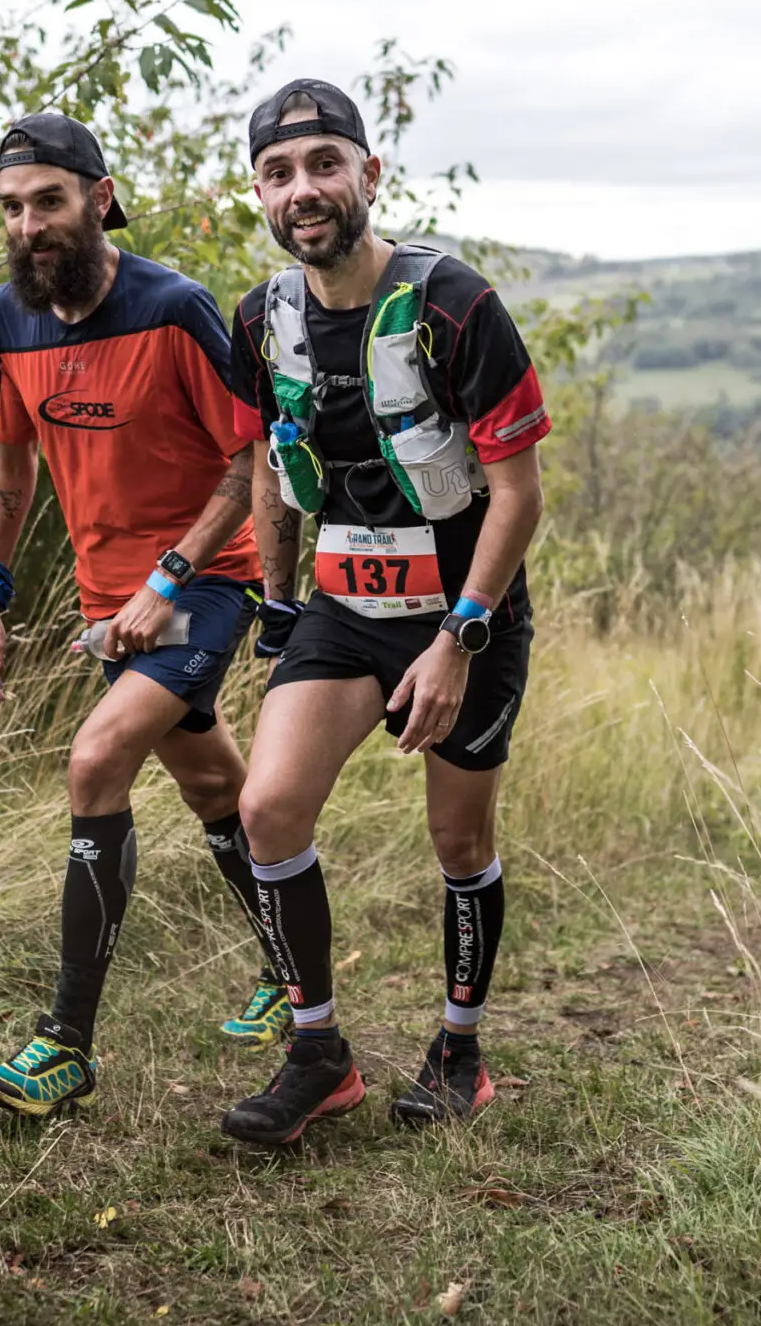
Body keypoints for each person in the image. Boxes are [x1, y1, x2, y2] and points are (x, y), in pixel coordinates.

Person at [216, 80, 550, 1146]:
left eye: (323, 164)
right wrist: (274, 604)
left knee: (457, 837)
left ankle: (460, 1049)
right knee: (268, 811)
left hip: (465, 609)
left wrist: (459, 639)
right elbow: (270, 468)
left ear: (369, 174)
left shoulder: (455, 304)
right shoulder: (260, 321)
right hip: (344, 607)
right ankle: (319, 1054)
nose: (302, 189)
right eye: (278, 173)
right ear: (260, 196)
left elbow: (519, 492)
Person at [0, 112, 299, 1117]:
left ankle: (65, 1047)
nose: (29, 226)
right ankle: (293, 974)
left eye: (48, 202)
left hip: (205, 583)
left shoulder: (175, 309)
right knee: (214, 787)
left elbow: (252, 460)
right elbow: (12, 460)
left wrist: (168, 578)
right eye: (13, 208)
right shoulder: (9, 320)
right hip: (113, 603)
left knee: (96, 758)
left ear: (98, 199)